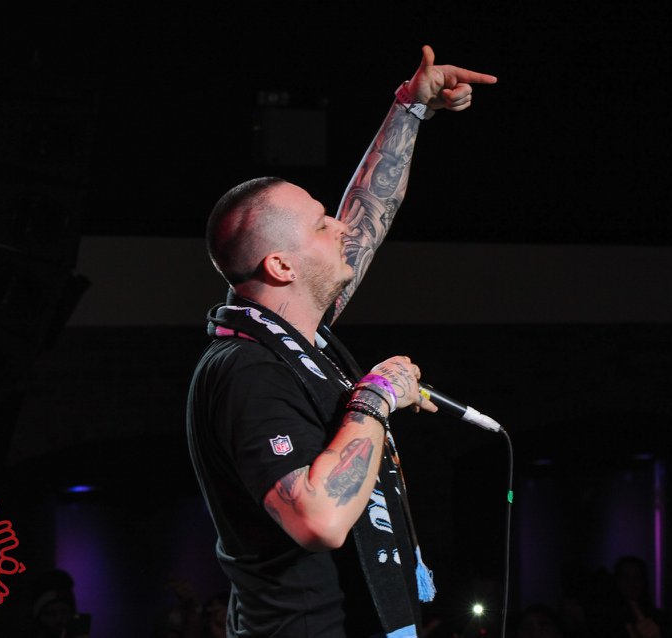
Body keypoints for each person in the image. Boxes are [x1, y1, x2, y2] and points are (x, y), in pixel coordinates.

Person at [187, 46, 496, 637]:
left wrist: (409, 109)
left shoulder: (298, 338)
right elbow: (319, 519)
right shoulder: (246, 369)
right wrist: (374, 396)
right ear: (281, 265)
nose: (339, 225)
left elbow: (368, 213)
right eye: (320, 222)